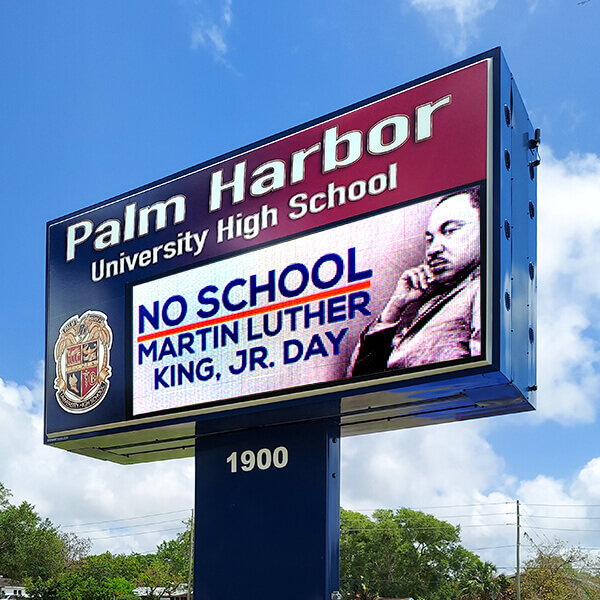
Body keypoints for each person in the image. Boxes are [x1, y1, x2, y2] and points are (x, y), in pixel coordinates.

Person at [348, 188, 481, 376]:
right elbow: (359, 381)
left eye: (450, 230)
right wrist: (394, 308)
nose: (432, 250)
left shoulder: (484, 289)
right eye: (429, 239)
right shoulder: (436, 301)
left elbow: (481, 379)